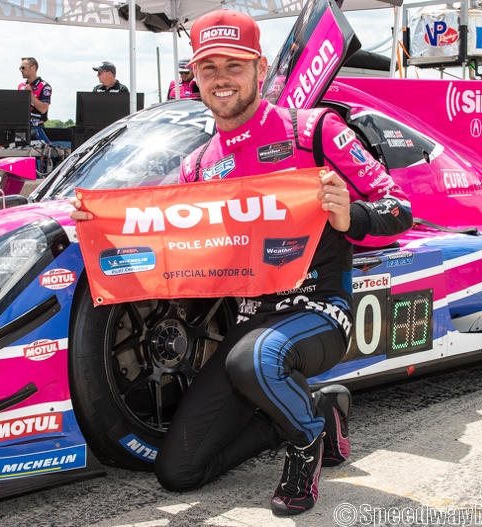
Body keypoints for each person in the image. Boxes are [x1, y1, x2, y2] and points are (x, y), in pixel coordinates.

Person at [70, 8, 412, 518]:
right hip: (247, 325)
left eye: (234, 65)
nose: (221, 78)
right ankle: (313, 411)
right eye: (209, 68)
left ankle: (305, 444)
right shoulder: (197, 167)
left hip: (319, 313)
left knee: (253, 359)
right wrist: (95, 220)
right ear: (195, 78)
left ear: (259, 69)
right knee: (178, 472)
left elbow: (400, 208)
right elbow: (160, 240)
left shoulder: (314, 131)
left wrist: (352, 215)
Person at [18, 57, 52, 128]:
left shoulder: (45, 86)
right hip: (22, 125)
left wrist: (30, 94)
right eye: (20, 68)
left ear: (33, 68)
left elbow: (43, 109)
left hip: (37, 126)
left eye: (23, 68)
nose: (21, 70)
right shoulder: (21, 86)